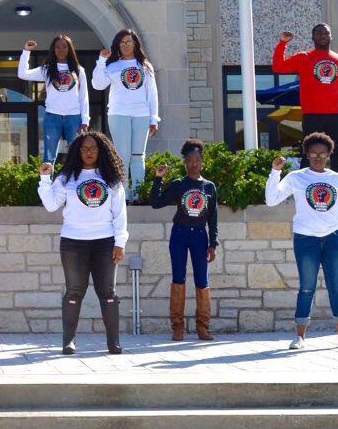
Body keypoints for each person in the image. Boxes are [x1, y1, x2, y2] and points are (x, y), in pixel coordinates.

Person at [265, 132, 338, 350]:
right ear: (306, 154)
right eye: (313, 153)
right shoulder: (296, 177)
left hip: (333, 239)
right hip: (306, 239)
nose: (317, 157)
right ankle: (300, 337)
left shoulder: (337, 179)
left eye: (322, 153)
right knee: (306, 288)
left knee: (336, 288)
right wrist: (275, 172)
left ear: (329, 155)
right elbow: (271, 200)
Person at [38, 131, 128, 355]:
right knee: (74, 292)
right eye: (84, 149)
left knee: (107, 293)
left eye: (93, 148)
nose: (88, 152)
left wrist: (120, 243)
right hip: (73, 243)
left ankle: (113, 342)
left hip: (105, 243)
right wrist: (45, 179)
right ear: (77, 152)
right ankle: (68, 341)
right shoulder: (66, 177)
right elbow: (51, 205)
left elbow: (120, 214)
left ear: (101, 151)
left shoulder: (111, 179)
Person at [150, 139, 218, 341]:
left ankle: (203, 327)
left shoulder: (209, 187)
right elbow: (156, 203)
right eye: (189, 160)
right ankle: (177, 327)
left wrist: (213, 244)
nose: (193, 164)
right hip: (179, 234)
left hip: (200, 237)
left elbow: (213, 218)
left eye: (197, 160)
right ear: (184, 162)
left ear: (202, 161)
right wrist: (158, 178)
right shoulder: (179, 184)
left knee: (202, 281)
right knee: (178, 279)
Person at [272, 24, 338, 178]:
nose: (322, 36)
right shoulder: (304, 57)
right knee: (309, 151)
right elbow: (278, 66)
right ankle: (306, 184)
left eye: (326, 33)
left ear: (331, 36)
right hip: (312, 114)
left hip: (335, 114)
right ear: (312, 37)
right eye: (319, 33)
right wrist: (282, 43)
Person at [91, 29, 160, 193]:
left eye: (129, 41)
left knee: (138, 156)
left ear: (135, 44)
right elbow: (97, 85)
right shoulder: (113, 66)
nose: (126, 45)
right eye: (122, 42)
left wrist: (154, 119)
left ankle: (137, 194)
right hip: (118, 113)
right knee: (122, 156)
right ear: (118, 45)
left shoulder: (145, 66)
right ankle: (123, 195)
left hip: (141, 114)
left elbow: (152, 94)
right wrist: (101, 61)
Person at [18, 35, 89, 163]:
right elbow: (22, 74)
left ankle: (75, 177)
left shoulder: (78, 70)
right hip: (52, 117)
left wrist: (85, 120)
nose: (61, 49)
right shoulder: (47, 69)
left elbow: (84, 96)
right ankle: (47, 177)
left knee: (77, 155)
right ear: (53, 50)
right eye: (57, 47)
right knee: (49, 157)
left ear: (69, 49)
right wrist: (26, 51)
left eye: (64, 46)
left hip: (74, 117)